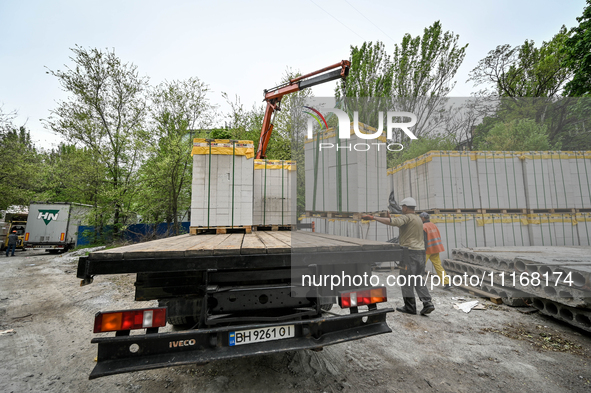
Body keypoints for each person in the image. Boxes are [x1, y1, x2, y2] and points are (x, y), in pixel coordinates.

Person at [362, 197, 435, 316]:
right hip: (421, 253)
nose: (402, 209)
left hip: (409, 253)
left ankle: (410, 307)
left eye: (402, 207)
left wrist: (373, 217)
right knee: (418, 279)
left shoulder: (406, 217)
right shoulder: (418, 219)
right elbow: (400, 225)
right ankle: (428, 303)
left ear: (405, 207)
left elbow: (393, 222)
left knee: (406, 280)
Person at [420, 212, 450, 290]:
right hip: (436, 248)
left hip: (427, 250)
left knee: (420, 266)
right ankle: (447, 282)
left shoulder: (423, 226)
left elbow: (423, 239)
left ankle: (417, 283)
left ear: (423, 218)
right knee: (438, 266)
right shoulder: (434, 225)